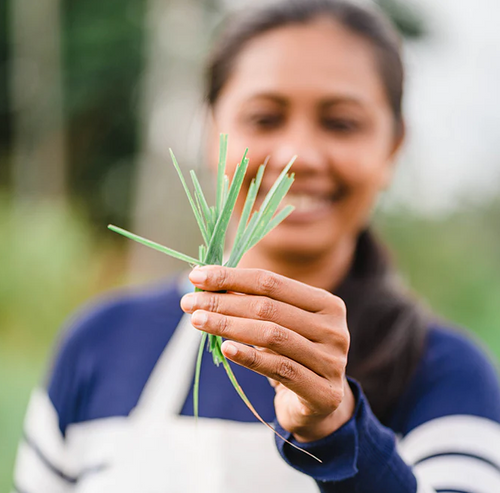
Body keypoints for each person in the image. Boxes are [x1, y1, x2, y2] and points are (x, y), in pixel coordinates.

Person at [13, 0, 500, 492]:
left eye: (341, 123)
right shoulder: (100, 344)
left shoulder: (446, 373)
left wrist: (337, 431)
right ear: (210, 132)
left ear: (393, 148)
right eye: (265, 118)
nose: (298, 158)